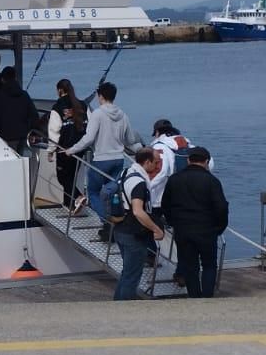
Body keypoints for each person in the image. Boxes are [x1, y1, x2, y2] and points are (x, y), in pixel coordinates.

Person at [67, 81, 142, 239]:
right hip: (118, 160)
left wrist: (71, 150)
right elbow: (129, 140)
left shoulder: (98, 114)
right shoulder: (123, 114)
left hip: (101, 160)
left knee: (93, 192)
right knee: (112, 194)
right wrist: (141, 151)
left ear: (100, 96)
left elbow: (88, 139)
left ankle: (108, 223)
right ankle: (116, 221)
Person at [163, 147, 229, 298]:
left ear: (188, 160)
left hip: (183, 229)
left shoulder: (174, 179)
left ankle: (194, 296)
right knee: (209, 265)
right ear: (206, 161)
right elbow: (221, 207)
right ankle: (206, 297)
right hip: (207, 229)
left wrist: (173, 222)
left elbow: (165, 205)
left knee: (189, 266)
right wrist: (219, 227)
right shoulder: (212, 181)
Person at [112, 148, 165, 300]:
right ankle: (125, 309)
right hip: (133, 234)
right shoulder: (139, 183)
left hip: (120, 229)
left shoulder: (125, 173)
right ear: (146, 162)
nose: (157, 167)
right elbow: (138, 211)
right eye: (155, 163)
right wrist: (156, 229)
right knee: (132, 275)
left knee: (127, 272)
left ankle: (117, 303)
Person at [45, 77, 88, 208]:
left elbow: (54, 131)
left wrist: (50, 150)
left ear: (59, 90)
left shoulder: (57, 108)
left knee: (62, 177)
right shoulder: (82, 105)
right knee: (71, 176)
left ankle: (79, 196)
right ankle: (69, 204)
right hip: (80, 148)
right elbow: (89, 126)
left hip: (64, 149)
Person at [0, 65, 37, 154]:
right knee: (24, 165)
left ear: (2, 79)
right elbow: (34, 115)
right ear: (15, 77)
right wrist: (33, 133)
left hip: (6, 138)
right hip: (23, 136)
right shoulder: (24, 95)